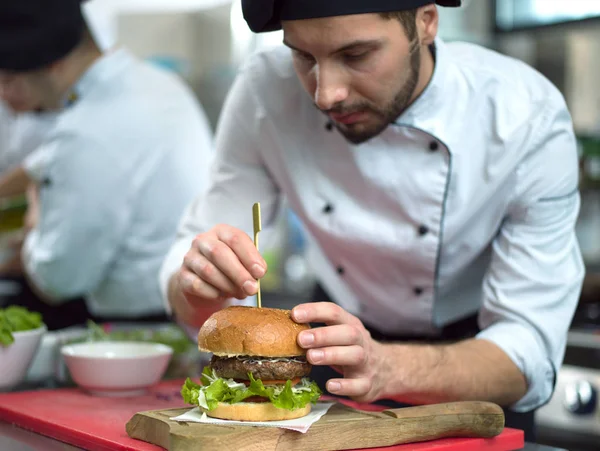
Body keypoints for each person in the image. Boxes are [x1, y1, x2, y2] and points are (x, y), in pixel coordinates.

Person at [159, 0, 584, 440]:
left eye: (356, 55)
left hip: (474, 368)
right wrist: (198, 283)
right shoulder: (265, 90)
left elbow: (528, 349)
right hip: (328, 359)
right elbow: (189, 272)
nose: (326, 94)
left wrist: (387, 366)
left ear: (426, 22)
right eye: (303, 56)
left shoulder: (524, 114)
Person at [0, 0, 215, 329]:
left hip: (137, 329)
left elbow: (59, 279)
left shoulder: (87, 130)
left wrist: (35, 220)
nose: (7, 99)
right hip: (186, 314)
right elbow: (52, 163)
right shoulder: (157, 83)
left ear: (52, 63)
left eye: (9, 80)